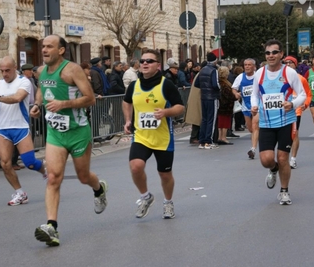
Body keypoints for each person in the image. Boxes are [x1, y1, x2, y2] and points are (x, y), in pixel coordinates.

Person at [30, 34, 108, 246]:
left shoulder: (72, 69)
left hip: (78, 131)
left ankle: (98, 188)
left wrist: (63, 104)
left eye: (49, 47)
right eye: (43, 46)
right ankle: (51, 227)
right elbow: (41, 90)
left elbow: (90, 98)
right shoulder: (41, 71)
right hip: (55, 133)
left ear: (61, 50)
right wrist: (36, 106)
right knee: (53, 177)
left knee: (83, 176)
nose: (44, 50)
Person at [122, 49, 185, 219]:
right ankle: (145, 196)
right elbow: (126, 101)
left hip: (163, 138)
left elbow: (180, 107)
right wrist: (128, 120)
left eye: (149, 61)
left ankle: (168, 202)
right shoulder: (134, 85)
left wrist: (165, 112)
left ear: (158, 65)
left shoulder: (166, 84)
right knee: (135, 166)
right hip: (141, 136)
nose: (144, 64)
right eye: (142, 61)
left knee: (164, 174)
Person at [0, 56, 48, 205]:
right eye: (2, 71)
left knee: (29, 163)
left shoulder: (23, 82)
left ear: (14, 68)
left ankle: (44, 169)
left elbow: (17, 98)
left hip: (21, 126)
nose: (5, 74)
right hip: (4, 129)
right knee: (5, 164)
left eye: (7, 70)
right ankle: (20, 193)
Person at [250, 40, 306, 205]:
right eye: (268, 53)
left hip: (286, 122)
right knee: (266, 160)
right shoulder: (259, 73)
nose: (271, 56)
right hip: (266, 124)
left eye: (274, 52)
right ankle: (273, 170)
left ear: (281, 54)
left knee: (283, 158)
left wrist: (293, 104)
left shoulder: (289, 73)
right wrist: (254, 105)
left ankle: (284, 191)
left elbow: (301, 94)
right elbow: (254, 94)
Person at [283, 56, 312, 169]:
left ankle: (293, 159)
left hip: (296, 111)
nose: (288, 64)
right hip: (282, 111)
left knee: (294, 135)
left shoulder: (301, 79)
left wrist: (305, 104)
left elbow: (308, 94)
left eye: (291, 62)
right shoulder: (280, 78)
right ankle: (283, 157)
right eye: (286, 62)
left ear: (295, 65)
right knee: (284, 136)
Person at [232, 58, 259, 159]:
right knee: (251, 129)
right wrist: (236, 94)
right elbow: (234, 88)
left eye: (249, 65)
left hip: (257, 106)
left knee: (255, 126)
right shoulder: (240, 77)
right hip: (246, 106)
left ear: (254, 66)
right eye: (245, 65)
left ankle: (253, 149)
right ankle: (257, 139)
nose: (247, 67)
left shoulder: (258, 76)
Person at [194, 52, 220, 149]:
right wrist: (219, 88)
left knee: (204, 119)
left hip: (203, 97)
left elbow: (196, 84)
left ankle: (202, 141)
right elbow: (215, 84)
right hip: (212, 97)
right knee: (211, 120)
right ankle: (209, 141)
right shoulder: (214, 70)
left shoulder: (202, 70)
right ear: (215, 60)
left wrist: (204, 88)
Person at [217, 66, 237, 145]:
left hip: (220, 105)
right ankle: (223, 137)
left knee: (220, 122)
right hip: (226, 105)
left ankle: (219, 137)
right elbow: (228, 94)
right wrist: (235, 96)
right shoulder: (224, 83)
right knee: (225, 122)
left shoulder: (219, 82)